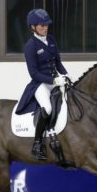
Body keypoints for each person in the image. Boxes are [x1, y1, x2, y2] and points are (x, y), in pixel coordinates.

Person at [16, 9, 70, 161]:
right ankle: (37, 143)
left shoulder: (51, 40)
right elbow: (33, 73)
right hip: (40, 84)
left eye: (46, 25)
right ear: (33, 27)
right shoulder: (30, 46)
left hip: (55, 80)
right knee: (47, 108)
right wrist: (53, 81)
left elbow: (58, 62)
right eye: (41, 26)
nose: (45, 28)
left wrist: (64, 75)